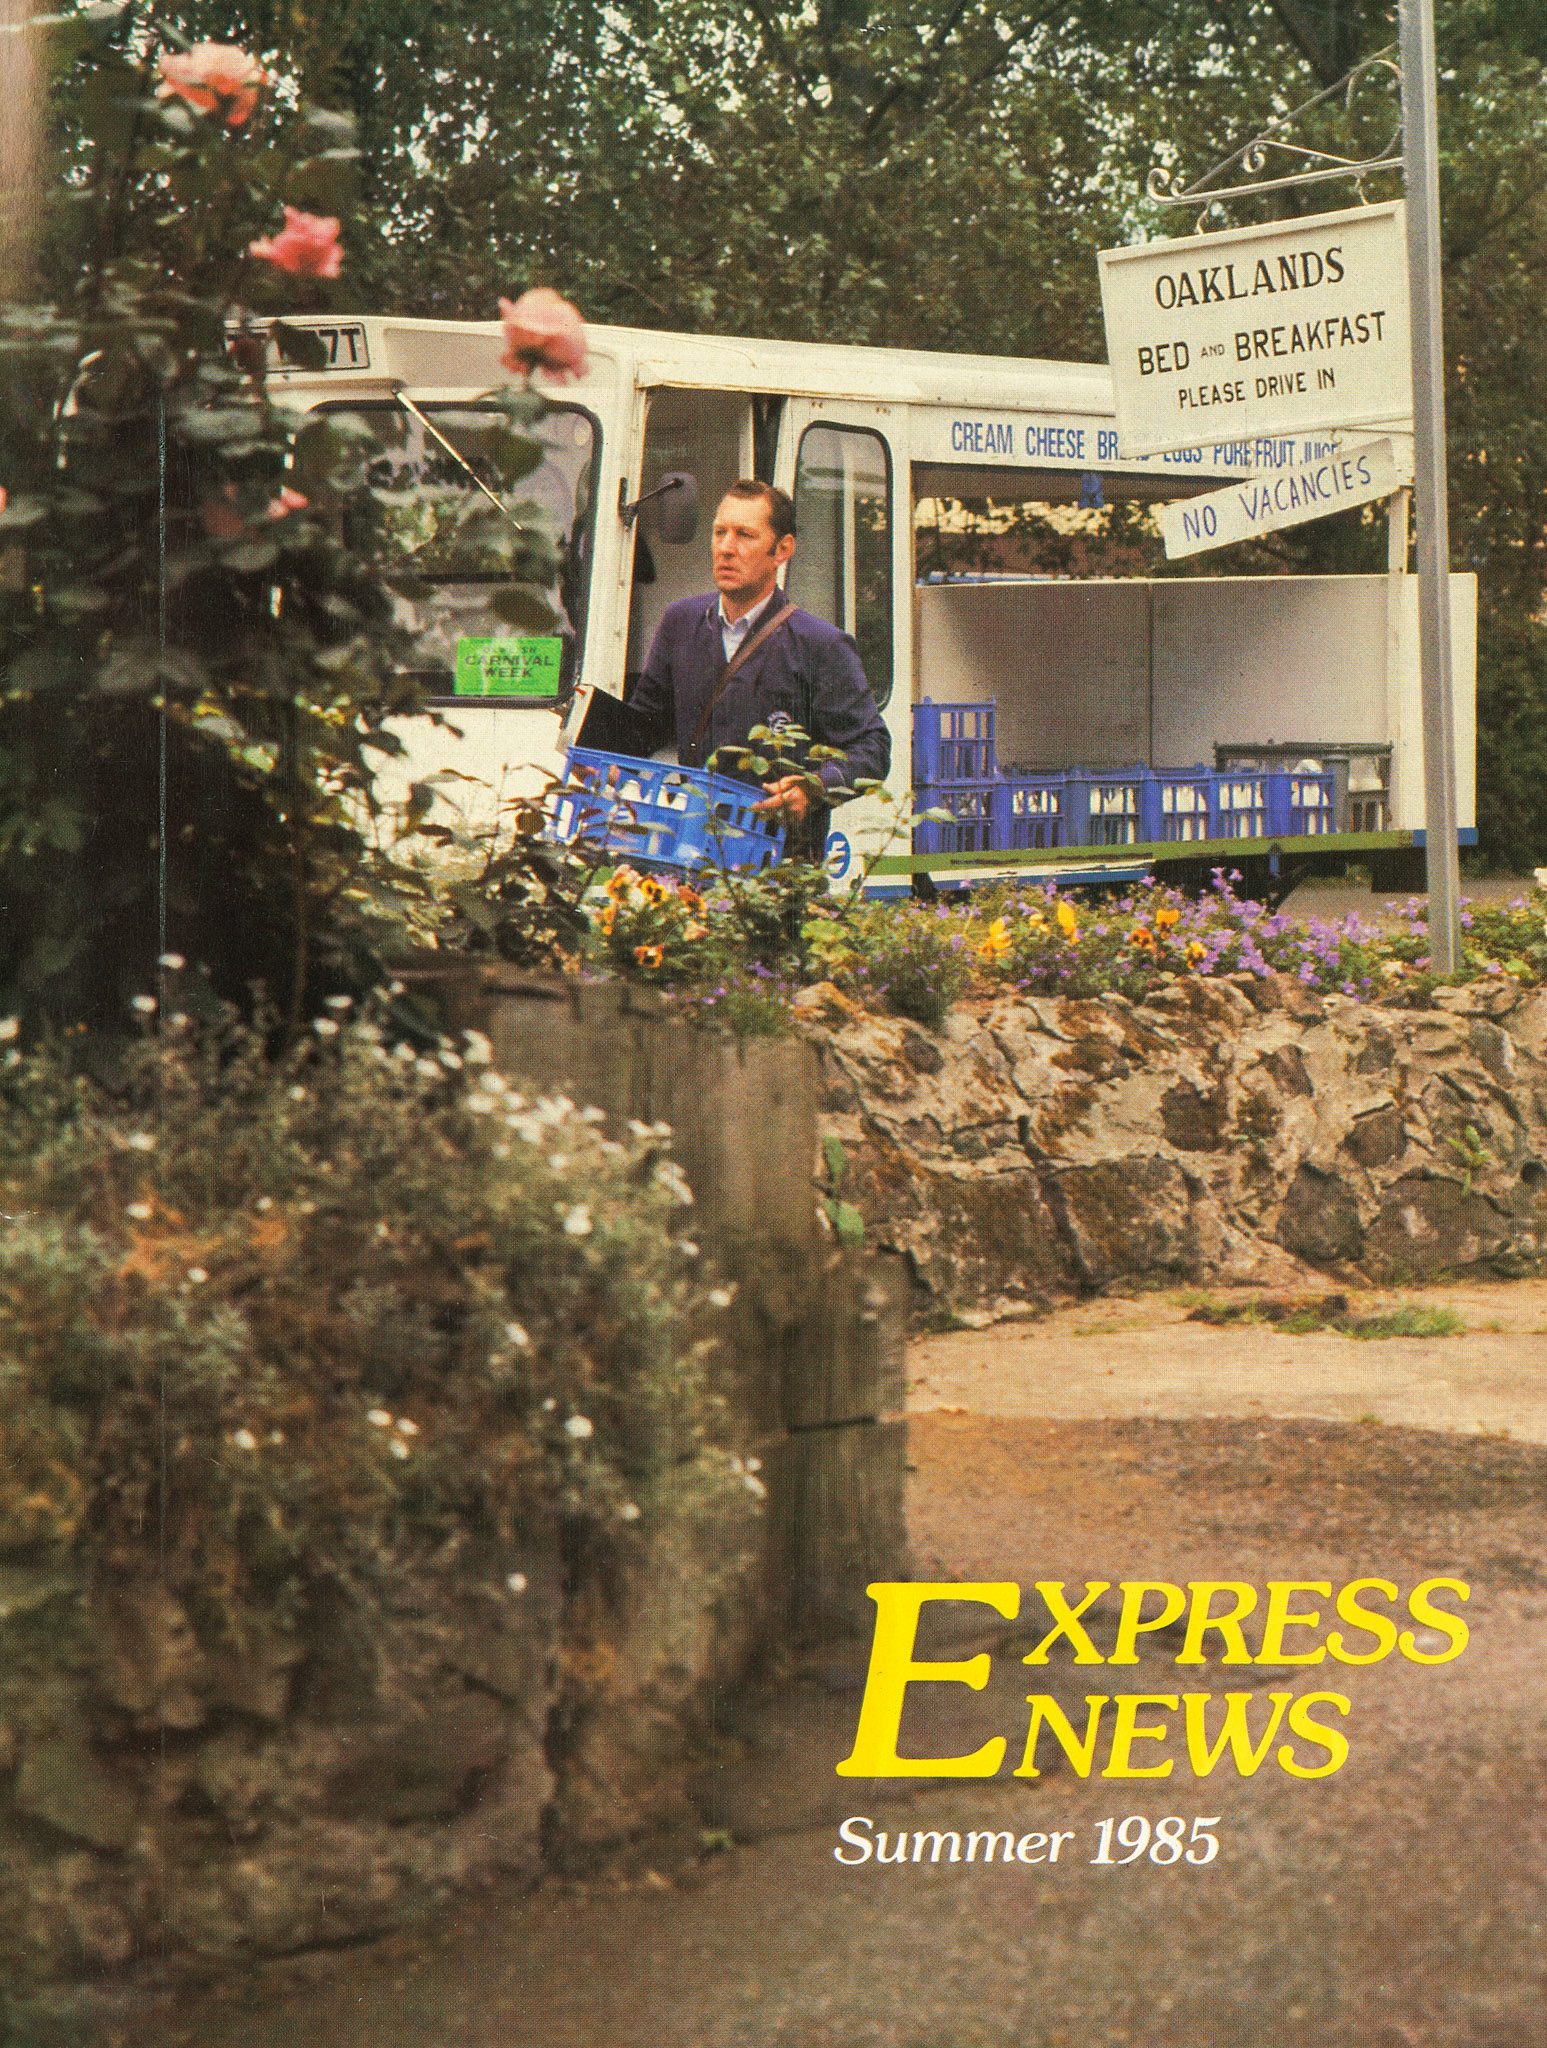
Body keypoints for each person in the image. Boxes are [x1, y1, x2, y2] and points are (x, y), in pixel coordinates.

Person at [626, 479, 890, 859]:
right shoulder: (680, 623)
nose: (726, 548)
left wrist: (814, 787)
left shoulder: (821, 644)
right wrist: (593, 738)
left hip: (781, 869)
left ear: (782, 549)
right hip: (693, 852)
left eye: (745, 535)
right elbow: (643, 725)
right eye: (720, 533)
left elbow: (872, 747)